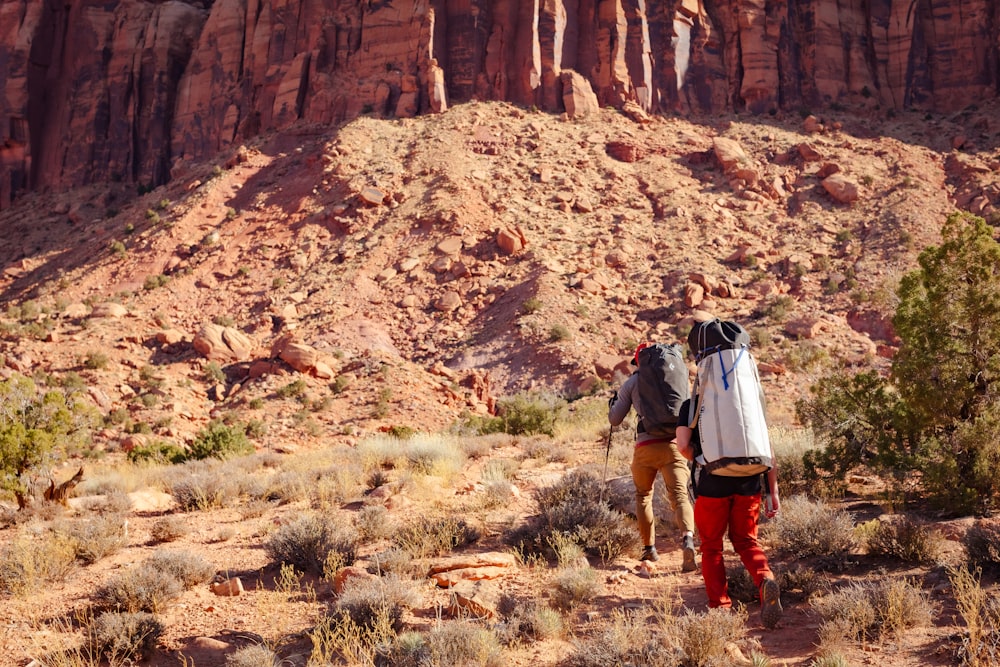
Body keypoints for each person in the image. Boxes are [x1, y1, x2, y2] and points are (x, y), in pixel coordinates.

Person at [676, 396, 783, 628]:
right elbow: (767, 451)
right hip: (750, 481)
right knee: (747, 542)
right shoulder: (749, 399)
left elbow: (683, 446)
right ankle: (765, 580)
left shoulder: (692, 405)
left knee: (712, 547)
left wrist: (704, 459)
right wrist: (772, 491)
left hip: (713, 485)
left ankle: (720, 607)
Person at [608, 343, 697, 571]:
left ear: (639, 362)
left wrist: (613, 404)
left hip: (645, 447)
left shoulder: (633, 382)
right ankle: (687, 538)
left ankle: (649, 548)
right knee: (680, 496)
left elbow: (615, 419)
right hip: (674, 446)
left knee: (643, 495)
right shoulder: (678, 378)